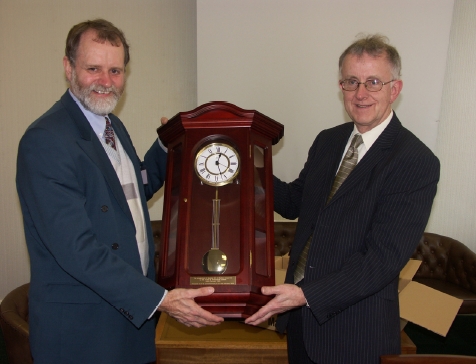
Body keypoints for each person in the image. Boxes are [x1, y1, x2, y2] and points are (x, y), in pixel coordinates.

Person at [16, 19, 223, 364]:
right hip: (84, 335)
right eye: (93, 68)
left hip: (130, 323)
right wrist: (160, 300)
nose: (105, 82)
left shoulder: (112, 126)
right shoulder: (46, 140)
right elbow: (76, 250)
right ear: (68, 68)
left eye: (115, 70)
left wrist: (166, 145)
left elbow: (131, 193)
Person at [245, 34, 440, 364]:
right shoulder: (328, 141)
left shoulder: (415, 161)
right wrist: (241, 165)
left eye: (373, 82)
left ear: (394, 89)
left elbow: (382, 260)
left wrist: (306, 294)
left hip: (355, 334)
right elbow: (294, 201)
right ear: (341, 88)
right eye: (351, 82)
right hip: (301, 326)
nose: (360, 93)